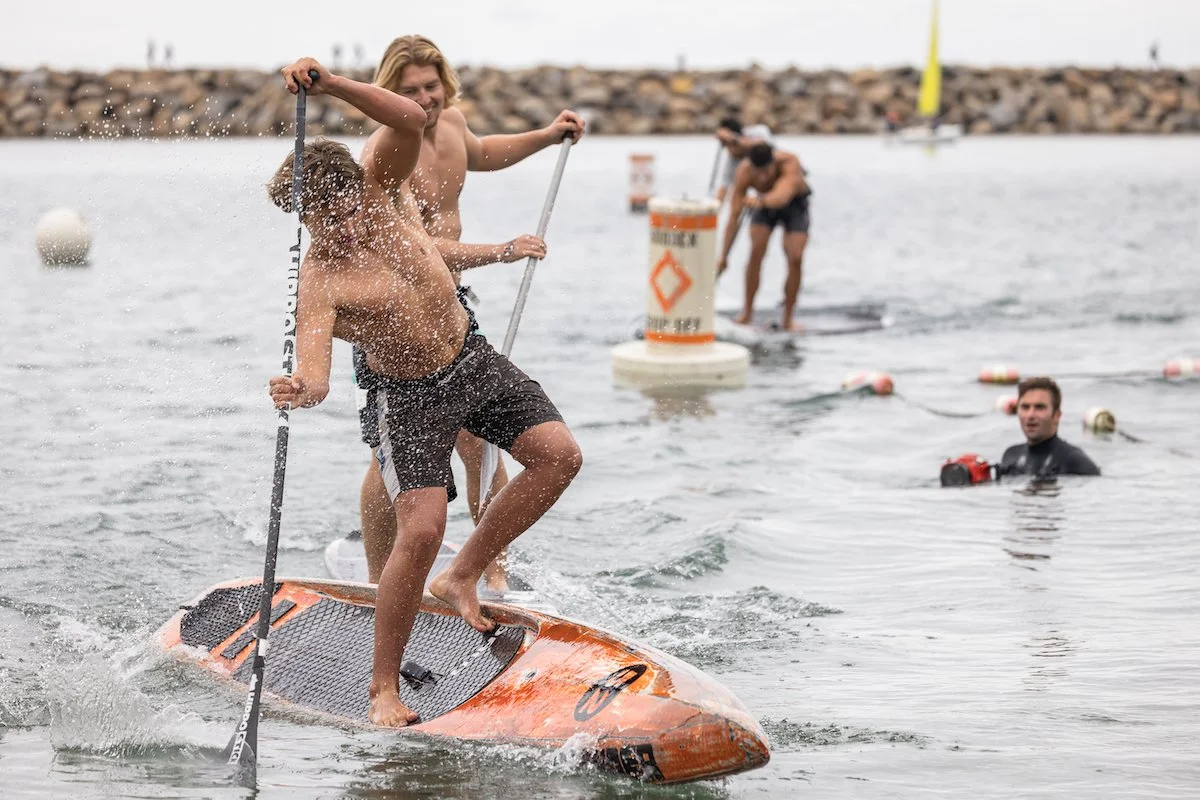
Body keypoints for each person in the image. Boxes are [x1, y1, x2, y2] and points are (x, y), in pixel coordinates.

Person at [267, 58, 583, 728]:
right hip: (404, 395)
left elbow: (412, 117)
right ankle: (384, 688)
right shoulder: (320, 279)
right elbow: (319, 371)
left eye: (346, 211)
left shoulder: (383, 192)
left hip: (469, 356)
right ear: (304, 222)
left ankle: (463, 575)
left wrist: (330, 87)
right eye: (323, 222)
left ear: (363, 189)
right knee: (424, 523)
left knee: (559, 457)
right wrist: (301, 387)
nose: (343, 229)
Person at [356, 35, 586, 590]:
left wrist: (548, 135)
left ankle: (491, 571)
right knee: (386, 462)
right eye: (410, 91)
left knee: (479, 438)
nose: (425, 98)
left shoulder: (454, 124)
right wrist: (502, 251)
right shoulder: (385, 156)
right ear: (390, 94)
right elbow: (417, 250)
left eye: (431, 86)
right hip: (398, 321)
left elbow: (482, 154)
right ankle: (375, 579)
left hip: (453, 307)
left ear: (445, 83)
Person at [717, 142, 811, 331]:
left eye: (766, 171)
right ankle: (747, 313)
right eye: (757, 172)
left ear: (773, 163)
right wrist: (723, 257)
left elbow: (782, 195)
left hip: (793, 204)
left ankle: (788, 318)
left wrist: (760, 200)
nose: (762, 176)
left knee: (795, 257)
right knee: (756, 251)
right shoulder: (744, 171)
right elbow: (733, 217)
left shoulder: (790, 162)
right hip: (762, 204)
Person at [998, 377, 1100, 478]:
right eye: (1025, 407)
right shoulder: (1011, 455)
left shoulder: (1077, 463)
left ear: (1056, 415)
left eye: (1039, 407)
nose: (1030, 415)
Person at [712, 116, 772, 204]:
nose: (729, 150)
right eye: (726, 146)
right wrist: (713, 209)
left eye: (730, 145)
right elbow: (723, 187)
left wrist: (732, 138)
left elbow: (762, 144)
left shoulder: (757, 131)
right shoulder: (732, 160)